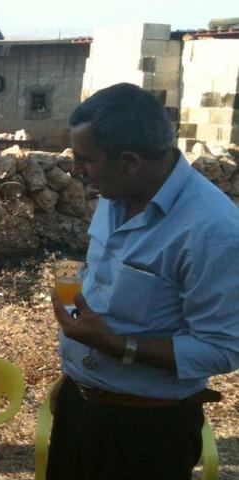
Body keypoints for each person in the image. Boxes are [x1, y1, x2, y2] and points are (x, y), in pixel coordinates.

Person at [47, 82, 239, 479]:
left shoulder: (213, 231)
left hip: (148, 431)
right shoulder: (115, 193)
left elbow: (223, 348)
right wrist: (76, 382)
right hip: (80, 408)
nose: (76, 170)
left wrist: (117, 346)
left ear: (130, 161)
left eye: (85, 159)